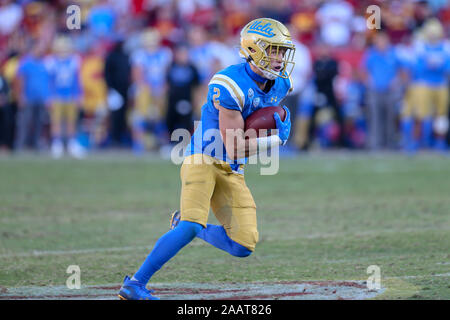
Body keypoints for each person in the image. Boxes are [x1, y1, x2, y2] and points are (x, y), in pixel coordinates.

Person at [118, 18, 295, 300]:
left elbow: (253, 125)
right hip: (204, 158)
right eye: (273, 50)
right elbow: (235, 146)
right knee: (192, 224)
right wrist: (276, 139)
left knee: (243, 244)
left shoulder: (281, 84)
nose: (280, 58)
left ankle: (185, 226)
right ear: (253, 48)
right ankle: (135, 284)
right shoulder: (229, 83)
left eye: (283, 51)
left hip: (231, 169)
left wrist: (270, 126)